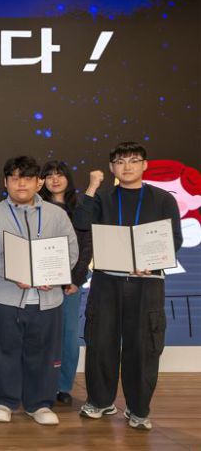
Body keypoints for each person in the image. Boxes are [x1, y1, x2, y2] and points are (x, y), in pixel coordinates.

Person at [73, 142, 182, 430]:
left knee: (143, 347)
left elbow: (174, 238)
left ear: (145, 165)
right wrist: (92, 186)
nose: (127, 166)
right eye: (120, 161)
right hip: (107, 281)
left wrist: (155, 261)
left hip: (147, 282)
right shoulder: (103, 196)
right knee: (100, 342)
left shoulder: (162, 199)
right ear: (112, 168)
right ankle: (100, 401)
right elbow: (81, 222)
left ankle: (138, 408)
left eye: (134, 160)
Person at [0, 155, 78, 426]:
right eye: (15, 178)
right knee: (1, 351)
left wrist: (54, 275)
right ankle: (2, 401)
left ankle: (40, 404)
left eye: (28, 178)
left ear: (38, 182)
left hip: (47, 297)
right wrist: (14, 273)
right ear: (5, 182)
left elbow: (70, 249)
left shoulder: (57, 215)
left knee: (44, 353)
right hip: (1, 296)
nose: (21, 184)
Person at [38, 161, 93, 405]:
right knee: (40, 335)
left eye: (59, 175)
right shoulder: (35, 208)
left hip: (70, 283)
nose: (55, 179)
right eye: (49, 175)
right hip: (40, 282)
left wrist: (76, 280)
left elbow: (86, 246)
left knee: (69, 336)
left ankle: (63, 386)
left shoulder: (79, 208)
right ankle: (40, 382)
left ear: (68, 179)